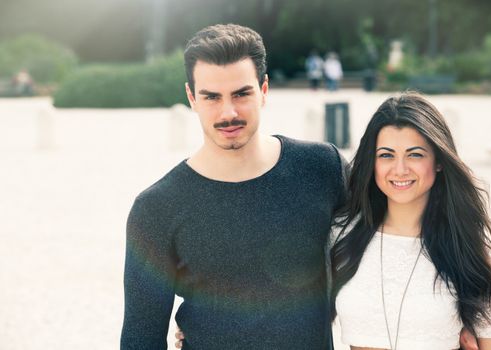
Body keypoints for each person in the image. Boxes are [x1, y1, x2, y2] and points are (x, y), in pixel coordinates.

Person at [120, 23, 346, 350]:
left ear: (264, 90)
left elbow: (388, 243)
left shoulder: (322, 167)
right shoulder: (156, 208)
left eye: (241, 94)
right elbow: (141, 338)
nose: (228, 112)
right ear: (191, 97)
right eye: (211, 97)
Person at [331, 92, 491, 349]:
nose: (400, 169)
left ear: (438, 161)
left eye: (415, 154)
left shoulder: (471, 249)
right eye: (386, 155)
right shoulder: (342, 235)